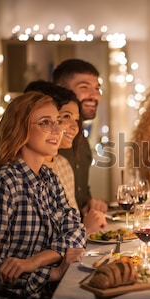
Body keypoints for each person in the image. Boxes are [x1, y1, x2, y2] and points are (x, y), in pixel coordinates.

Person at [0, 92, 86, 299]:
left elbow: (77, 230)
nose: (57, 130)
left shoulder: (49, 177)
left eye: (57, 122)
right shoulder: (5, 182)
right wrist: (52, 273)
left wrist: (35, 262)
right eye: (45, 123)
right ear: (20, 128)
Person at [24, 80, 107, 234]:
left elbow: (70, 224)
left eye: (76, 120)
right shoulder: (11, 176)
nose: (75, 127)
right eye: (65, 117)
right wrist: (85, 229)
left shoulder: (62, 165)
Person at [52, 59, 108, 216]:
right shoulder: (49, 141)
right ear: (61, 90)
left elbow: (80, 192)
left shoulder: (81, 137)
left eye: (97, 88)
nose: (94, 95)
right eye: (84, 87)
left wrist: (90, 203)